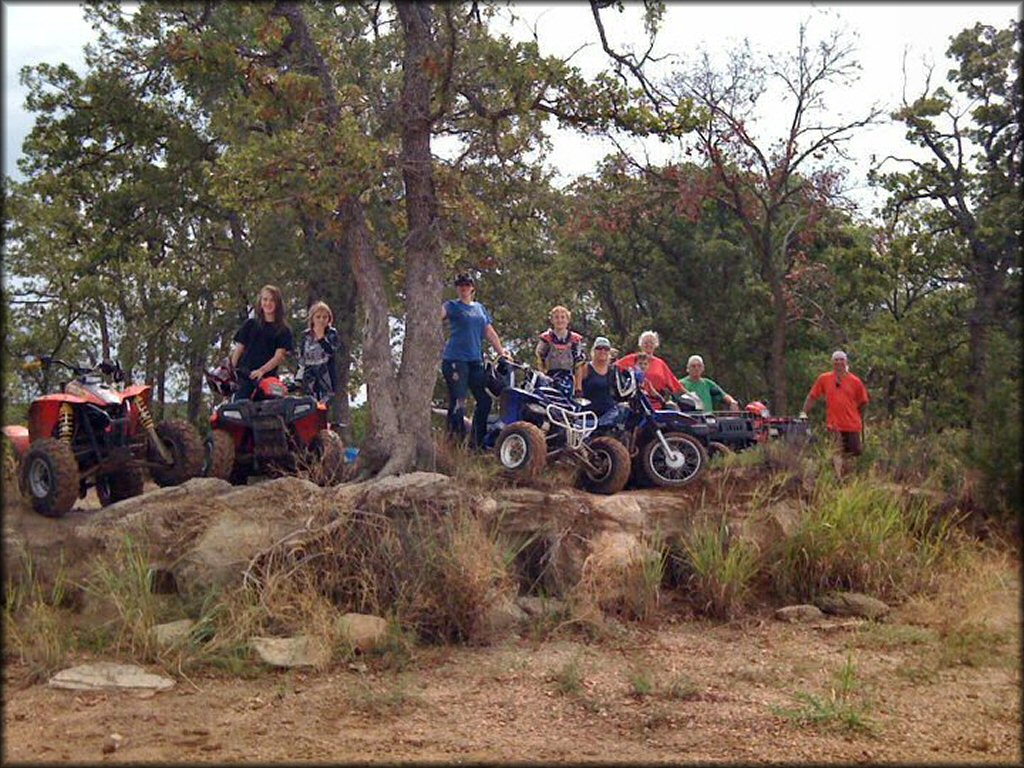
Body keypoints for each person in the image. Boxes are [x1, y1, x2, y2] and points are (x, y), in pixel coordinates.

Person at [440, 273, 509, 450]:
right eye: (460, 285)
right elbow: (437, 315)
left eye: (467, 285)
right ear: (457, 288)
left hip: (475, 361)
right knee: (459, 400)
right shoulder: (452, 305)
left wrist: (501, 352)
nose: (463, 288)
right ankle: (454, 443)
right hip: (455, 360)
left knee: (485, 400)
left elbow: (489, 332)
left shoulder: (479, 308)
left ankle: (476, 442)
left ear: (472, 288)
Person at [800, 349, 870, 474]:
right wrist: (804, 412)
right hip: (834, 424)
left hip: (852, 424)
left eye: (841, 359)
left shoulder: (855, 381)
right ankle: (838, 478)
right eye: (836, 360)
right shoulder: (824, 378)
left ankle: (848, 477)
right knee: (836, 451)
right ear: (832, 362)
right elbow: (812, 396)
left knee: (852, 453)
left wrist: (858, 416)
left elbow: (863, 401)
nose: (839, 362)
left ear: (846, 362)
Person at [230, 284, 294, 401]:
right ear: (260, 301)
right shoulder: (250, 324)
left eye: (272, 300)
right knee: (238, 410)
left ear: (277, 303)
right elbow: (239, 349)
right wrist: (230, 372)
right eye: (265, 299)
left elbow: (279, 356)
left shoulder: (284, 330)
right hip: (244, 377)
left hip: (268, 380)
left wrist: (262, 371)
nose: (268, 303)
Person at [615, 330, 683, 405]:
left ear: (656, 345)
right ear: (640, 344)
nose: (648, 345)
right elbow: (614, 368)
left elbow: (674, 383)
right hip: (635, 403)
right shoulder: (631, 359)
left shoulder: (660, 363)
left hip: (656, 403)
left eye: (651, 342)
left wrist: (690, 396)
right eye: (646, 342)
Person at [575, 336, 629, 427]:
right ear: (593, 350)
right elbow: (576, 390)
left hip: (609, 414)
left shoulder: (613, 370)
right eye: (599, 348)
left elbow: (621, 391)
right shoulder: (584, 368)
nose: (602, 351)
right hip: (588, 416)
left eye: (606, 349)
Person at [535, 305, 586, 397]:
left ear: (568, 320)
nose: (560, 320)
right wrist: (543, 376)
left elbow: (578, 365)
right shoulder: (546, 338)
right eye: (556, 317)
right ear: (552, 320)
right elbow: (540, 359)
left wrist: (578, 388)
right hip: (550, 377)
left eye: (563, 317)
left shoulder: (575, 339)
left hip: (568, 378)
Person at [296, 300, 338, 404]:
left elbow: (332, 351)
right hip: (310, 377)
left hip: (326, 377)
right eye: (318, 317)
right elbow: (301, 359)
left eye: (325, 317)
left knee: (324, 407)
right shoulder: (306, 336)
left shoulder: (331, 333)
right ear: (312, 319)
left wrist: (321, 338)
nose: (321, 320)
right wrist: (298, 379)